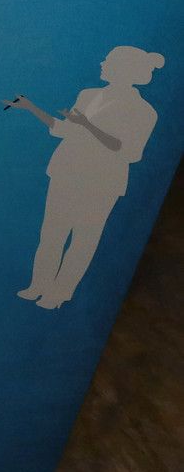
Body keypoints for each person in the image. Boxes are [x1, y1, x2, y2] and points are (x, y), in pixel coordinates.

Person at [10, 45, 165, 308]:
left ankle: (58, 294)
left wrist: (88, 125)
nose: (102, 63)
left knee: (82, 239)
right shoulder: (89, 94)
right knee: (51, 234)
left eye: (110, 61)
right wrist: (31, 108)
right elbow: (64, 130)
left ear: (124, 69)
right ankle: (39, 285)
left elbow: (129, 151)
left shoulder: (144, 110)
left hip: (101, 182)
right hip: (66, 172)